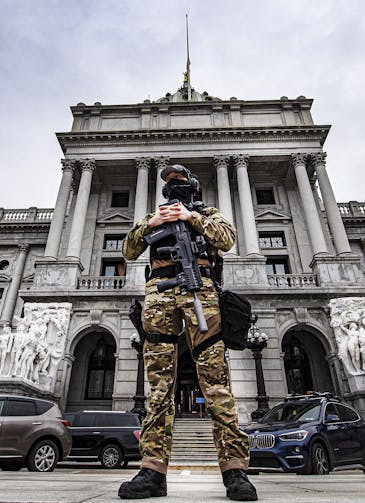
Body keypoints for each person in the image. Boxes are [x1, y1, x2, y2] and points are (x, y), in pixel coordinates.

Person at [119, 164, 257, 501]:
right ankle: (152, 471)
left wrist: (191, 217)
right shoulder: (154, 217)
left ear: (192, 186)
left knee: (216, 383)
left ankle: (235, 470)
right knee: (158, 389)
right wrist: (152, 223)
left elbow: (227, 239)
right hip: (159, 297)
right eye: (170, 183)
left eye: (180, 182)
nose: (174, 187)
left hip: (202, 295)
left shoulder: (208, 213)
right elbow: (128, 251)